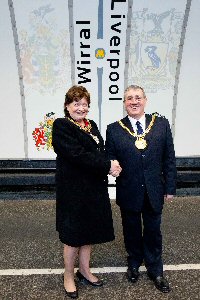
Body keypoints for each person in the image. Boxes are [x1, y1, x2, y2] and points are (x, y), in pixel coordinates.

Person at [52, 85, 121, 299]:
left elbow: (98, 152)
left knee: (88, 231)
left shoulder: (90, 125)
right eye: (76, 103)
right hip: (73, 190)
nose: (81, 108)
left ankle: (84, 270)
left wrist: (110, 163)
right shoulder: (61, 125)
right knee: (73, 235)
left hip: (93, 188)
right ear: (67, 105)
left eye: (84, 104)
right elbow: (77, 154)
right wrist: (108, 165)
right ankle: (68, 276)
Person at [105, 85, 176, 293]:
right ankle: (134, 263)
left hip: (154, 189)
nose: (134, 102)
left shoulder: (161, 125)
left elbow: (169, 158)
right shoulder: (114, 128)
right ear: (124, 103)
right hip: (129, 189)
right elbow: (109, 154)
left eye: (137, 98)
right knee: (131, 230)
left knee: (154, 231)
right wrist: (111, 164)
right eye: (129, 98)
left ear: (145, 100)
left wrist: (170, 186)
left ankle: (156, 270)